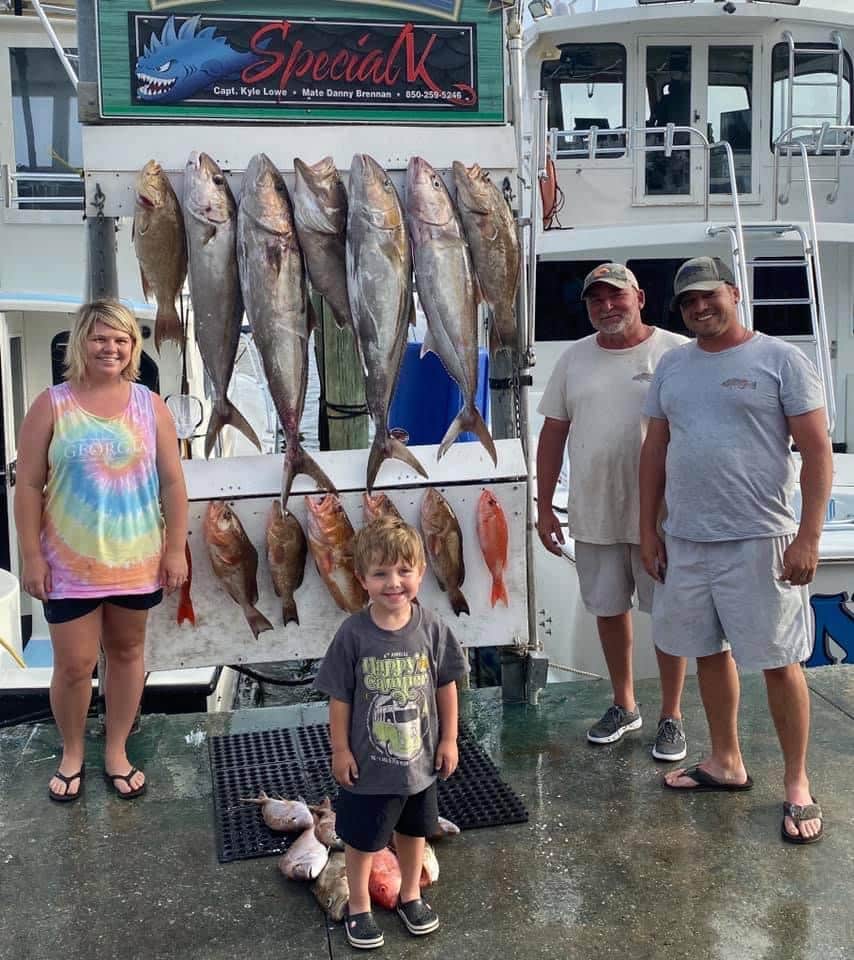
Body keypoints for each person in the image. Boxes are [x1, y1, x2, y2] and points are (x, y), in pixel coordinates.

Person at [639, 256, 832, 844]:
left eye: (708, 296)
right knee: (705, 653)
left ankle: (796, 784)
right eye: (689, 302)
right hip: (687, 540)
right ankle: (726, 760)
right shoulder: (672, 366)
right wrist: (649, 530)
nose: (700, 308)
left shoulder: (780, 360)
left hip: (760, 538)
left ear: (733, 291)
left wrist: (808, 536)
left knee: (778, 660)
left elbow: (818, 452)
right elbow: (654, 453)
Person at [15, 299, 188, 802]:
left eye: (122, 339)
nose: (110, 348)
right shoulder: (51, 404)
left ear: (133, 348)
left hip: (136, 560)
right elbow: (27, 486)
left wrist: (174, 549)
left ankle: (116, 750)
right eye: (100, 338)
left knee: (128, 655)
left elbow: (173, 484)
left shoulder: (148, 404)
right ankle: (71, 751)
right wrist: (31, 555)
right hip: (68, 564)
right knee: (74, 664)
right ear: (80, 343)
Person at [536, 262, 690, 760]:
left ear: (640, 297)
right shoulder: (574, 358)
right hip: (595, 509)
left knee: (667, 614)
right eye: (595, 300)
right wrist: (543, 506)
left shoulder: (676, 352)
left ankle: (672, 714)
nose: (606, 307)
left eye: (616, 297)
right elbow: (553, 433)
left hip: (664, 516)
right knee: (608, 609)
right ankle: (624, 704)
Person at [314, 516, 467, 950]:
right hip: (369, 769)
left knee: (415, 831)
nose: (393, 582)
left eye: (404, 571)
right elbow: (339, 697)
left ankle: (410, 894)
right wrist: (340, 749)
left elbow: (446, 685)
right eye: (380, 573)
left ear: (421, 573)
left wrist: (449, 738)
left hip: (419, 765)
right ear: (361, 579)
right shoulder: (352, 634)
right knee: (362, 840)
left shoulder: (433, 627)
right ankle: (360, 903)